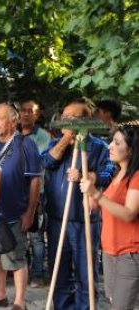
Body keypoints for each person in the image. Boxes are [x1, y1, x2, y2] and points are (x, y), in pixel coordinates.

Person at [42, 98, 114, 310]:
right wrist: (65, 141)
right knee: (59, 272)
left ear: (87, 120)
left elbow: (109, 173)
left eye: (74, 118)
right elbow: (46, 162)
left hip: (85, 221)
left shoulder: (100, 147)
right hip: (57, 220)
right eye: (65, 118)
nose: (69, 122)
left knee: (86, 274)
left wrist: (86, 175)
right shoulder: (56, 143)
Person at [0, 103, 42, 310]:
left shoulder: (25, 145)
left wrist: (30, 212)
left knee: (16, 257)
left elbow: (36, 181)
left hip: (15, 212)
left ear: (13, 121)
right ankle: (0, 295)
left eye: (0, 117)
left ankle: (20, 301)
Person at [80, 125, 139, 310]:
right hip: (109, 251)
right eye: (112, 141)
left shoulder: (136, 176)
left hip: (129, 253)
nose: (110, 146)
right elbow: (97, 207)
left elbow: (129, 213)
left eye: (117, 142)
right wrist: (89, 192)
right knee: (115, 302)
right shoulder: (117, 174)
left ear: (131, 149)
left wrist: (97, 195)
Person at [19, 99, 52, 288]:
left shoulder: (43, 137)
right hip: (17, 193)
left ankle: (38, 273)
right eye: (23, 110)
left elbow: (37, 163)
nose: (26, 114)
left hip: (36, 192)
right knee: (19, 234)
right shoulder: (14, 135)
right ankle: (21, 271)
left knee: (37, 236)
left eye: (30, 111)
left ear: (37, 115)